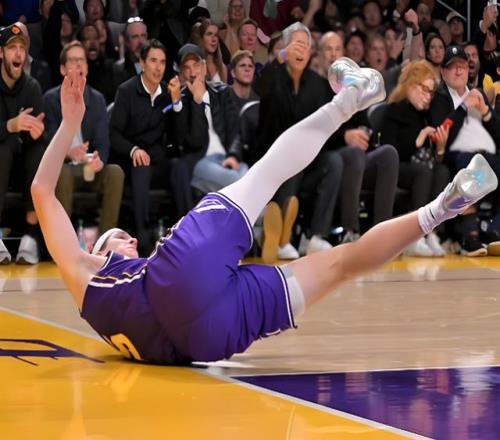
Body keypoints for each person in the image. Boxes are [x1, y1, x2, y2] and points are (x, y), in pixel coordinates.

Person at [31, 58, 498, 364]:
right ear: (99, 251)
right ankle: (350, 99)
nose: (132, 239)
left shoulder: (93, 300)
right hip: (177, 281)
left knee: (342, 264)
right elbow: (41, 191)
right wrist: (69, 124)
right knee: (265, 175)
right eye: (119, 238)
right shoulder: (87, 271)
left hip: (203, 341)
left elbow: (45, 197)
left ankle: (441, 207)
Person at [43, 40, 125, 236]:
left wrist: (98, 159)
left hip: (89, 168)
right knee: (63, 173)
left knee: (115, 172)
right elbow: (47, 141)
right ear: (63, 69)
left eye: (82, 60)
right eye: (73, 61)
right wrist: (68, 153)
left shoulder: (97, 99)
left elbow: (103, 142)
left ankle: (104, 242)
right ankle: (63, 241)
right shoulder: (50, 99)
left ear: (87, 67)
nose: (79, 65)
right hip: (64, 168)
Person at [381, 59, 451, 256]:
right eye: (424, 89)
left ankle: (432, 233)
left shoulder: (425, 115)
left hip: (421, 168)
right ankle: (415, 235)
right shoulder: (394, 110)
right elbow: (389, 153)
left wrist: (440, 149)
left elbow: (431, 158)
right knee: (423, 172)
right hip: (398, 168)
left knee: (442, 171)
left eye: (431, 92)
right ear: (411, 84)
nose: (428, 97)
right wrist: (418, 140)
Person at [0, 24, 46, 265]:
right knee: (2, 150)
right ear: (1, 53)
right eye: (12, 48)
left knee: (38, 149)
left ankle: (30, 235)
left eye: (22, 48)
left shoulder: (32, 87)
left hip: (20, 169)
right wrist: (10, 125)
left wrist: (37, 133)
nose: (18, 53)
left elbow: (36, 137)